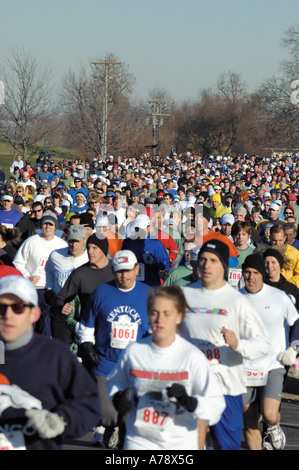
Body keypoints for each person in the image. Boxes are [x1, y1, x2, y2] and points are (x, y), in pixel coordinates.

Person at [106, 284, 226, 450]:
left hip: (179, 442)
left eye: (166, 314)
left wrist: (190, 402)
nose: (159, 320)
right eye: (154, 313)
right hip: (139, 440)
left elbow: (216, 404)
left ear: (179, 316)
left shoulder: (192, 356)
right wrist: (117, 398)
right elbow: (113, 382)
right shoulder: (134, 351)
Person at [181, 239, 271, 450]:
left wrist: (238, 344)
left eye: (213, 260)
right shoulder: (183, 295)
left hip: (227, 386)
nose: (206, 265)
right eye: (203, 260)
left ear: (224, 265)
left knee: (226, 446)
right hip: (192, 384)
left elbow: (263, 343)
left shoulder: (236, 300)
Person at [0, 274, 101, 450]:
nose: (8, 315)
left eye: (17, 307)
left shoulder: (54, 356)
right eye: (1, 307)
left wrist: (61, 420)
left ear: (34, 313)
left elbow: (89, 405)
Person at [77, 250, 152, 448]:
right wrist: (86, 345)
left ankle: (122, 439)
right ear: (113, 271)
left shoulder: (148, 294)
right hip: (105, 363)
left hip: (135, 365)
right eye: (119, 272)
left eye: (128, 271)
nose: (124, 276)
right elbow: (86, 325)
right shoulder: (101, 292)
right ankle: (111, 427)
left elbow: (156, 329)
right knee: (107, 414)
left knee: (128, 416)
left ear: (137, 270)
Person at [240, 254, 299, 450]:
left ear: (262, 275)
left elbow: (296, 321)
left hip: (273, 365)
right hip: (245, 367)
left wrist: (294, 347)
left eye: (255, 273)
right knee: (249, 421)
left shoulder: (278, 297)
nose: (250, 277)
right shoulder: (235, 299)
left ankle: (274, 427)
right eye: (247, 272)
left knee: (270, 414)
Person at [52, 233, 115, 346]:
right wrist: (63, 307)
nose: (90, 251)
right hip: (89, 333)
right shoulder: (80, 274)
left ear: (104, 249)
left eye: (95, 248)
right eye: (88, 247)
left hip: (113, 330)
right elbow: (61, 299)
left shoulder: (116, 271)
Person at [13, 212, 68, 337]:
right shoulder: (31, 242)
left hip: (51, 291)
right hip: (33, 290)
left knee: (46, 324)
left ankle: (44, 351)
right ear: (41, 226)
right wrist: (28, 276)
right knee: (29, 324)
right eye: (45, 224)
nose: (47, 227)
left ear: (55, 227)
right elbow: (17, 263)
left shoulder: (62, 245)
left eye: (50, 224)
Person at [270, 223, 299, 287]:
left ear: (285, 238)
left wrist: (288, 285)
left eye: (280, 240)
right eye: (274, 240)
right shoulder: (263, 252)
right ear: (270, 237)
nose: (277, 243)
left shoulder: (294, 253)